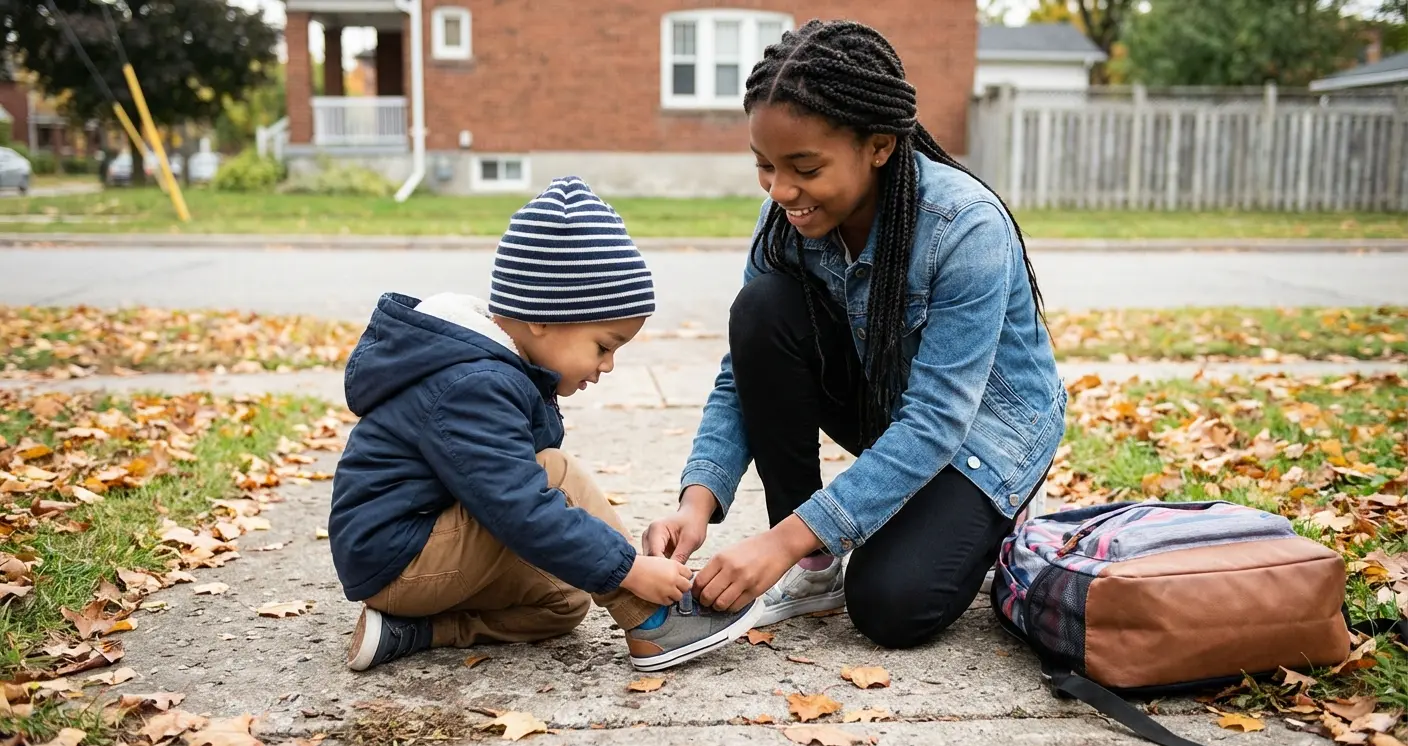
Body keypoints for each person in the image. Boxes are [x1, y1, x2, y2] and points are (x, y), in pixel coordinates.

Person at [643, 20, 1066, 649]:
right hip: (887, 404)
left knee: (891, 606)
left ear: (879, 145)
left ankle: (994, 516)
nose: (781, 190)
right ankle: (816, 567)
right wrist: (696, 501)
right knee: (761, 308)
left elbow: (935, 421)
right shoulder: (786, 219)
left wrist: (778, 543)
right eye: (765, 166)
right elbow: (746, 372)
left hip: (983, 434)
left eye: (804, 167)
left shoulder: (965, 225)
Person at [328, 177, 761, 673]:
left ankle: (411, 632)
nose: (607, 366)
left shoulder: (493, 368)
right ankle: (655, 621)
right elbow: (519, 506)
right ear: (543, 319)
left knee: (564, 598)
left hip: (417, 553)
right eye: (603, 346)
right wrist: (631, 570)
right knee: (556, 474)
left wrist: (604, 568)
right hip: (398, 557)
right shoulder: (472, 383)